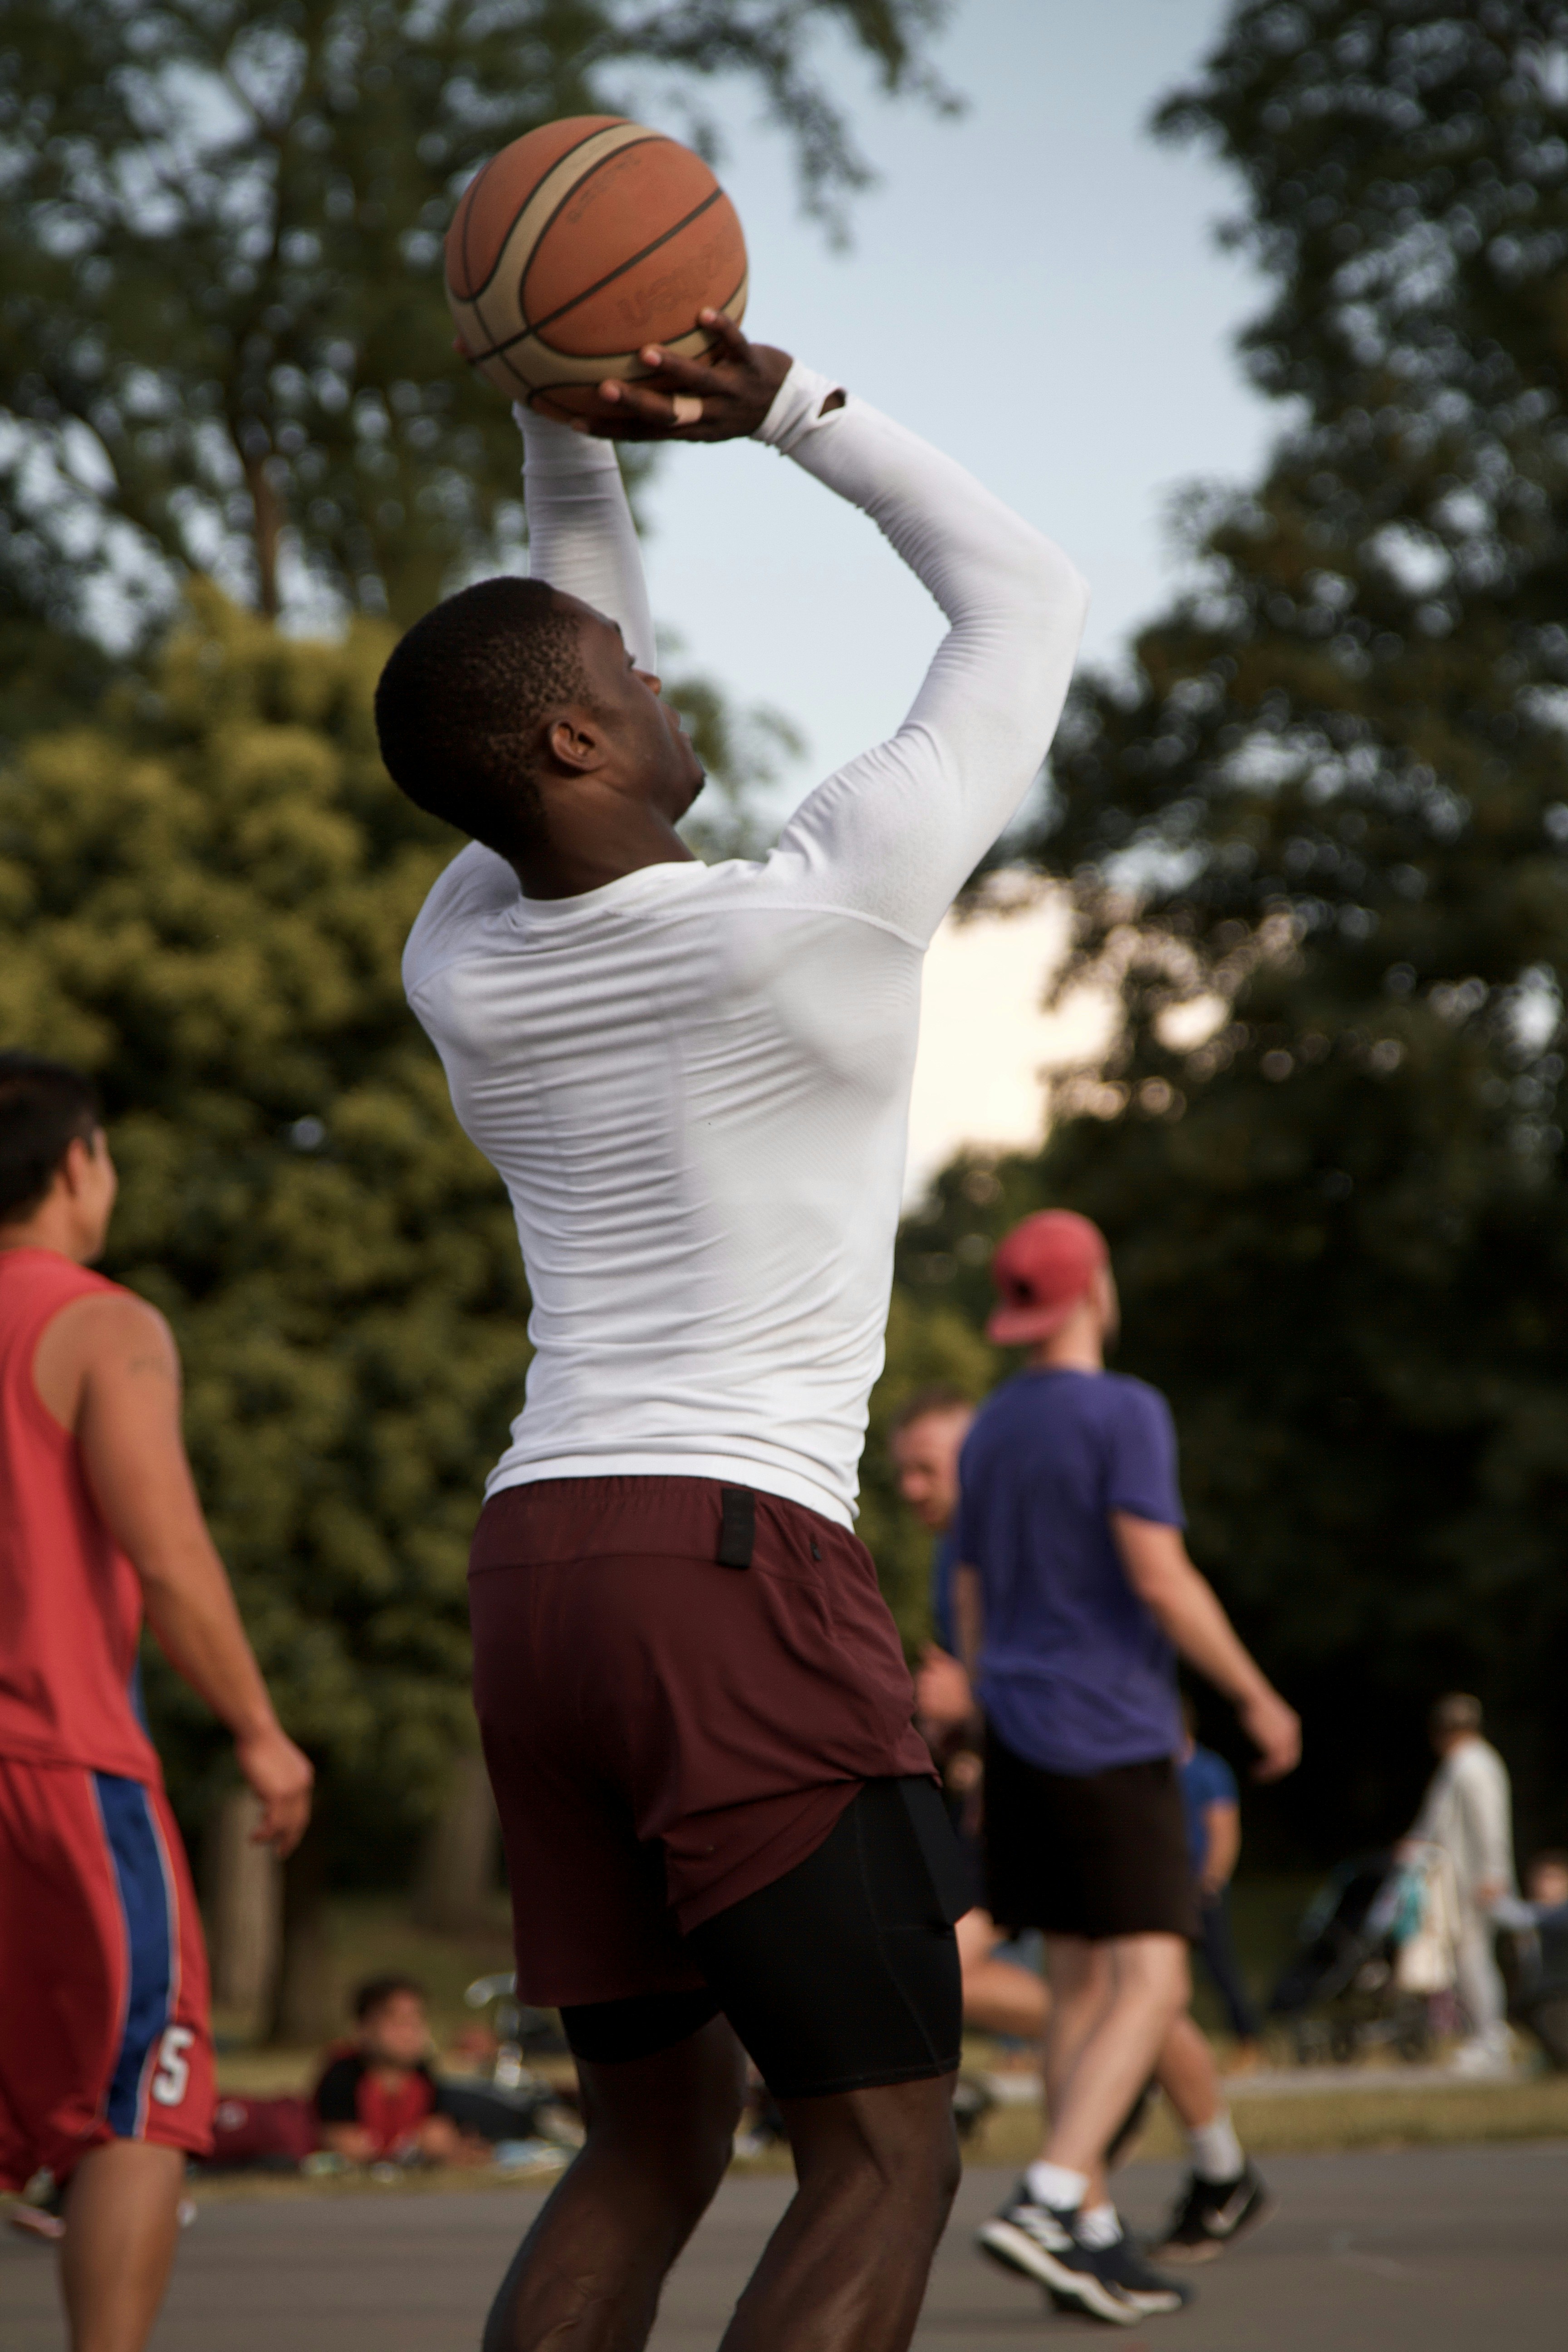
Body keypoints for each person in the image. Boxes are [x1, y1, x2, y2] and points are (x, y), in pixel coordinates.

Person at [376, 314, 1088, 2352]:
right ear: (579, 750)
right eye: (626, 681)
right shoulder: (814, 919)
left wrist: (557, 420)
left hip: (540, 1575)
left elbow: (544, 652)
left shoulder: (465, 958)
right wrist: (786, 406)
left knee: (648, 2140)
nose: (650, 669)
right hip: (723, 1558)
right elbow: (1022, 592)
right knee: (880, 2146)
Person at [0, 1052, 314, 2352]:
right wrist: (259, 1730)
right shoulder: (103, 1325)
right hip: (60, 1768)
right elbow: (170, 1558)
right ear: (79, 1163)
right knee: (143, 2095)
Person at [953, 1209, 1298, 2325]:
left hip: (1015, 1733)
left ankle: (1091, 2234)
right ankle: (1053, 2194)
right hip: (1109, 1730)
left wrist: (992, 1696)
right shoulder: (1124, 1410)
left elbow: (964, 1597)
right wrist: (1251, 1692)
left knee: (1074, 1989)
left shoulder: (989, 1431)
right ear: (1094, 1287)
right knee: (1155, 1974)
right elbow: (1156, 1574)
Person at [892, 1388, 1050, 2046]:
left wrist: (972, 1695)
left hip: (1059, 1789)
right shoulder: (948, 1553)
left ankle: (1124, 2037)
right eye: (902, 1471)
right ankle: (1213, 2147)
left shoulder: (1027, 1540)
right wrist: (950, 1730)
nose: (909, 1487)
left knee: (933, 1968)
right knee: (932, 1967)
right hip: (1002, 1795)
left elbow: (1070, 1678)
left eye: (926, 1467)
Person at [1402, 1693, 1516, 2076]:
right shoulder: (1464, 1764)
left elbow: (1489, 1824)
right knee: (1468, 1958)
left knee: (1473, 1959)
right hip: (1457, 1881)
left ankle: (1490, 2040)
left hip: (1472, 1881)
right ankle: (1484, 2036)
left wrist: (1493, 1874)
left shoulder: (1473, 1766)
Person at [314, 1977, 490, 2168]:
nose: (409, 2033)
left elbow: (438, 2134)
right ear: (364, 2028)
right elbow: (344, 2143)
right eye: (398, 2023)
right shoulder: (343, 2074)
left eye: (417, 2021)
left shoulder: (422, 2075)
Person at [1177, 1698, 1262, 2064]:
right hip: (1160, 1886)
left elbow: (1224, 1830)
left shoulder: (1208, 1770)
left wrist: (1212, 1880)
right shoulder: (1146, 1773)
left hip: (1199, 1887)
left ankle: (1248, 2040)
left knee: (1219, 1968)